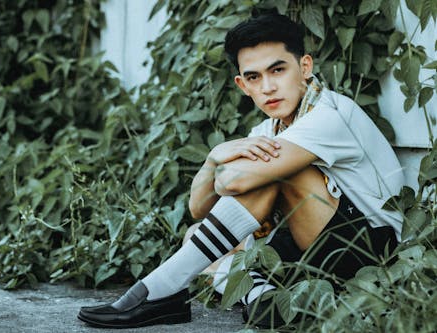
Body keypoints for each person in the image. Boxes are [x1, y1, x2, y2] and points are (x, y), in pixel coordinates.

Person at [77, 12, 404, 329]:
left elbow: (238, 180)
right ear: (242, 84)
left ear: (305, 67)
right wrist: (213, 157)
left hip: (371, 253)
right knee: (196, 237)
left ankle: (160, 290)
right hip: (312, 246)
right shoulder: (267, 129)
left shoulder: (330, 114)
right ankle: (262, 297)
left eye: (277, 70)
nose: (267, 87)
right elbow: (198, 208)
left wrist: (228, 167)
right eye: (254, 77)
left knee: (277, 171)